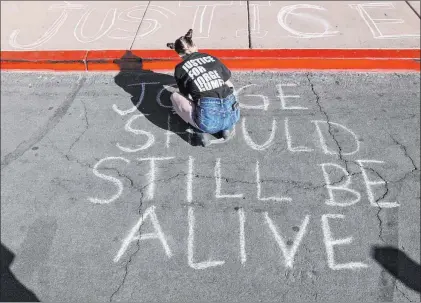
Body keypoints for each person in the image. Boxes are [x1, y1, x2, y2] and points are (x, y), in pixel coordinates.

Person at [166, 29, 240, 147]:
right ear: (195, 46)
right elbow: (226, 78)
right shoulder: (211, 58)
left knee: (175, 96)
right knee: (228, 84)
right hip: (233, 116)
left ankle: (200, 131)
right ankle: (226, 128)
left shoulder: (180, 68)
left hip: (208, 122)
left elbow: (186, 94)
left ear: (179, 54)